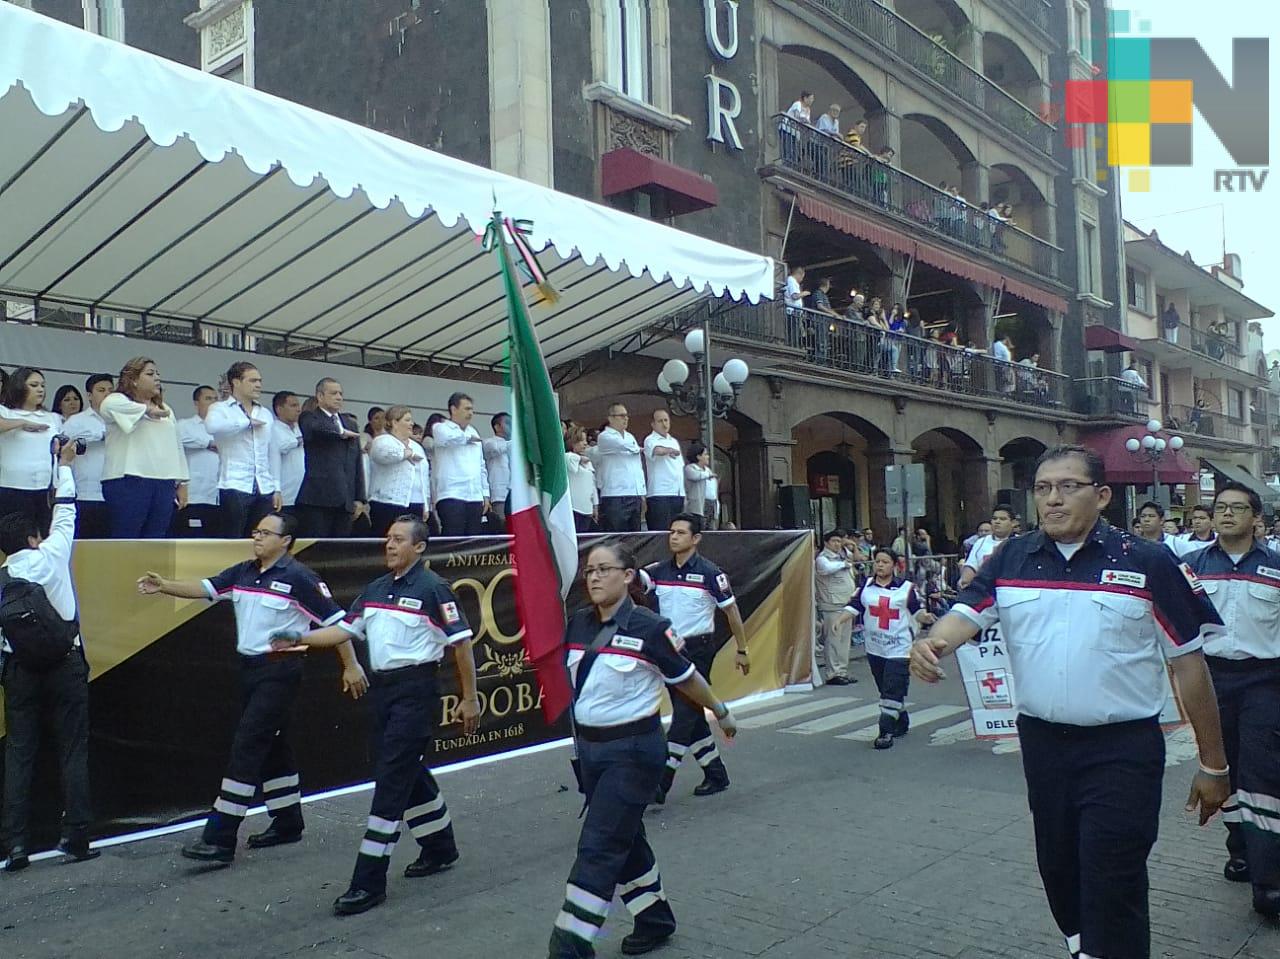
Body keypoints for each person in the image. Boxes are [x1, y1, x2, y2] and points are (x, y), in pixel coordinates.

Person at [910, 445, 1230, 959]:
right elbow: (966, 614)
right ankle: (1087, 947)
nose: (1052, 499)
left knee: (1112, 872)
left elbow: (1190, 666)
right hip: (1043, 746)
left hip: (1122, 750)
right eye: (1042, 488)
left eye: (1067, 487)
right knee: (1058, 868)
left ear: (1102, 496)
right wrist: (933, 644)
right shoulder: (1013, 556)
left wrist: (1214, 763)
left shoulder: (1146, 561)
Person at [269, 515, 478, 915]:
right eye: (387, 539)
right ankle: (439, 846)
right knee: (403, 770)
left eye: (399, 540)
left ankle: (368, 880)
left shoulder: (435, 590)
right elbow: (345, 630)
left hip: (415, 692)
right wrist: (300, 638)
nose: (390, 545)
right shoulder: (376, 589)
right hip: (384, 692)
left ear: (419, 547)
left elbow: (461, 646)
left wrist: (469, 698)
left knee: (391, 781)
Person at [136, 512, 365, 863]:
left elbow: (337, 623)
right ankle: (288, 820)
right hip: (249, 669)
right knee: (272, 744)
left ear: (285, 541)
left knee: (248, 744)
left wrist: (350, 665)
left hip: (281, 670)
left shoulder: (300, 578)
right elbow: (206, 588)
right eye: (255, 531)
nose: (256, 537)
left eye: (265, 533)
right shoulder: (243, 572)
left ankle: (221, 836)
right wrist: (164, 585)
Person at [548, 542, 738, 958]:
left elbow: (687, 679)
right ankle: (654, 919)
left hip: (633, 753)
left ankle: (569, 946)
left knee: (598, 846)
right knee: (625, 837)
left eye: (604, 569)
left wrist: (720, 711)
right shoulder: (578, 623)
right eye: (590, 571)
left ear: (628, 576)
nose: (594, 577)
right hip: (591, 753)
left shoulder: (651, 628)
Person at [0, 439, 97, 872]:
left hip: (19, 669)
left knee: (19, 753)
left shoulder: (3, 577)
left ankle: (15, 847)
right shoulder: (55, 552)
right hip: (65, 662)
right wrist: (65, 465)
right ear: (33, 537)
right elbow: (68, 507)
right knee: (72, 750)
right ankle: (75, 837)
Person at [1185, 482, 1280, 918]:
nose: (1226, 515)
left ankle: (1270, 882)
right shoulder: (1189, 567)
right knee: (1222, 766)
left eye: (1236, 508)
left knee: (1262, 776)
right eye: (1220, 508)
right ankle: (1239, 848)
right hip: (1210, 679)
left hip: (1265, 681)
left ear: (1255, 518)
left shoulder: (1276, 567)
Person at [642, 513, 748, 803]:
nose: (673, 537)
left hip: (698, 649)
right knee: (691, 714)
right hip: (668, 649)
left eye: (680, 532)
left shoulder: (711, 573)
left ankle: (662, 781)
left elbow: (731, 612)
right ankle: (715, 773)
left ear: (696, 539)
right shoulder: (658, 571)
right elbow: (634, 580)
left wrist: (742, 649)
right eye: (671, 532)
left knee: (685, 711)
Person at [840, 548, 935, 749]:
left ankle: (885, 731)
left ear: (894, 565)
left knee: (892, 687)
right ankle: (901, 720)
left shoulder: (906, 588)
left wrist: (924, 618)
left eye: (884, 562)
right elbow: (855, 606)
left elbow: (916, 610)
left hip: (899, 648)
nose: (880, 565)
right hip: (875, 647)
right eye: (877, 561)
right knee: (885, 688)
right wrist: (839, 620)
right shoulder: (865, 585)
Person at [99, 357, 188, 539]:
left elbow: (176, 446)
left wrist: (183, 482)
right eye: (150, 374)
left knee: (157, 538)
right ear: (133, 379)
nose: (157, 378)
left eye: (158, 374)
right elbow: (106, 406)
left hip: (163, 481)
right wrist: (146, 410)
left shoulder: (165, 408)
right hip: (128, 480)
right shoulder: (118, 400)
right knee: (127, 537)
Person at [205, 362, 280, 539]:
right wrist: (245, 423)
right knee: (233, 539)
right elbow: (211, 426)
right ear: (236, 382)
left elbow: (273, 451)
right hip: (234, 484)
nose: (258, 385)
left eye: (260, 381)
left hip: (264, 486)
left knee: (262, 539)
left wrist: (277, 487)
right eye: (253, 380)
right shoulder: (220, 408)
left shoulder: (265, 413)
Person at [296, 378, 367, 538]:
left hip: (345, 500)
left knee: (340, 550)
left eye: (341, 394)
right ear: (320, 396)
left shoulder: (350, 423)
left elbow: (356, 462)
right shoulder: (310, 417)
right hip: (318, 499)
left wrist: (359, 498)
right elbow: (316, 429)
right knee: (319, 548)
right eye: (333, 393)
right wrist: (340, 432)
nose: (339, 397)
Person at [0, 367, 62, 535]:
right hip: (12, 486)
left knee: (43, 536)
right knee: (14, 538)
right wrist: (22, 422)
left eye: (42, 385)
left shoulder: (53, 418)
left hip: (44, 488)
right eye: (34, 385)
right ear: (19, 386)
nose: (40, 389)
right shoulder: (6, 413)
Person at [60, 373, 114, 539]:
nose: (107, 394)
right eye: (101, 390)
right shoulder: (76, 421)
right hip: (86, 493)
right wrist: (100, 435)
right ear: (89, 395)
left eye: (111, 390)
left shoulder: (122, 421)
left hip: (117, 492)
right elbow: (62, 448)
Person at [432, 392, 489, 537]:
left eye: (471, 409)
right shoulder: (441, 427)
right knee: (453, 537)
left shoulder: (473, 431)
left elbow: (481, 465)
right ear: (453, 409)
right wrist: (468, 438)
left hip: (474, 495)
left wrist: (485, 494)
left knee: (473, 540)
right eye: (466, 409)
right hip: (451, 494)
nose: (470, 413)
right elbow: (448, 439)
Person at [368, 406, 431, 536]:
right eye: (407, 420)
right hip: (388, 503)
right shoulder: (382, 440)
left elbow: (423, 478)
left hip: (416, 503)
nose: (411, 423)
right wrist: (405, 454)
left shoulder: (417, 447)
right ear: (394, 422)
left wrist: (426, 504)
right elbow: (382, 454)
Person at [175, 385, 221, 538]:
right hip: (194, 495)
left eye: (215, 399)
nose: (213, 403)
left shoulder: (222, 430)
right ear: (196, 403)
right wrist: (209, 443)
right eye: (208, 399)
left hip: (218, 497)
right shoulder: (185, 425)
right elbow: (180, 439)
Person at [816, 529, 857, 687]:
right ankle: (833, 673)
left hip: (846, 604)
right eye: (834, 541)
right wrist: (843, 564)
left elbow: (853, 553)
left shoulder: (842, 555)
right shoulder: (822, 559)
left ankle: (842, 671)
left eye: (839, 541)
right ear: (826, 543)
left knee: (844, 640)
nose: (837, 544)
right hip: (832, 605)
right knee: (833, 640)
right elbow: (826, 569)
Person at [596, 402, 645, 532]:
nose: (626, 418)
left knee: (635, 536)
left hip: (634, 494)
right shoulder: (604, 436)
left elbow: (637, 466)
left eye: (626, 415)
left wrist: (641, 491)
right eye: (621, 415)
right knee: (616, 535)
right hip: (615, 495)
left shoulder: (630, 436)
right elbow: (620, 445)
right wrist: (637, 448)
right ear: (611, 418)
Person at [643, 410, 684, 533]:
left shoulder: (674, 441)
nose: (664, 424)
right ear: (653, 424)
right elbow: (657, 451)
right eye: (660, 421)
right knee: (661, 532)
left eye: (666, 420)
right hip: (660, 493)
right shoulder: (650, 439)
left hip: (677, 492)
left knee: (676, 532)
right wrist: (669, 451)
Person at [960, 506, 1016, 587]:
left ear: (1013, 523)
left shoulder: (1020, 542)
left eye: (1002, 519)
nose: (997, 521)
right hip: (983, 590)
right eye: (994, 518)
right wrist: (965, 580)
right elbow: (971, 565)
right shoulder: (980, 542)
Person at [271, 391, 305, 514]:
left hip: (304, 495)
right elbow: (280, 446)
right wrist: (298, 441)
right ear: (279, 409)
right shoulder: (272, 428)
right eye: (293, 406)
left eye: (298, 406)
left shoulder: (300, 428)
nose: (298, 409)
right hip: (285, 496)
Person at [565, 426, 598, 533]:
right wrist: (582, 458)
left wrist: (595, 505)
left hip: (587, 509)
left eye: (585, 440)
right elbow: (571, 458)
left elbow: (592, 485)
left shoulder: (588, 462)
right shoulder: (567, 457)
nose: (585, 443)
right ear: (572, 442)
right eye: (581, 440)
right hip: (574, 508)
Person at [483, 412, 511, 531]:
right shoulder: (489, 442)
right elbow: (496, 449)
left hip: (516, 494)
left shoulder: (514, 444)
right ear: (497, 427)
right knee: (502, 527)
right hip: (500, 495)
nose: (512, 427)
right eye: (508, 423)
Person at [683, 441, 715, 530]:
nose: (708, 457)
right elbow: (695, 476)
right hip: (698, 505)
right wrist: (708, 475)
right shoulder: (690, 468)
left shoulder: (708, 470)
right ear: (698, 456)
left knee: (711, 529)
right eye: (705, 454)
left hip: (711, 504)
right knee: (700, 528)